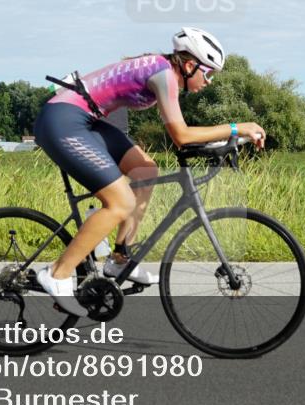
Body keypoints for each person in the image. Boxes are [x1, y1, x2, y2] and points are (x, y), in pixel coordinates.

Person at [32, 27, 267, 316]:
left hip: (85, 119)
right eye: (208, 74)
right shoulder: (163, 75)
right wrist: (236, 128)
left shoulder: (162, 69)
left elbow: (183, 136)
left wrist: (226, 140)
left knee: (145, 170)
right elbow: (181, 136)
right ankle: (57, 273)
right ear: (190, 66)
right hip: (63, 120)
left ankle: (119, 259)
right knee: (120, 203)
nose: (209, 82)